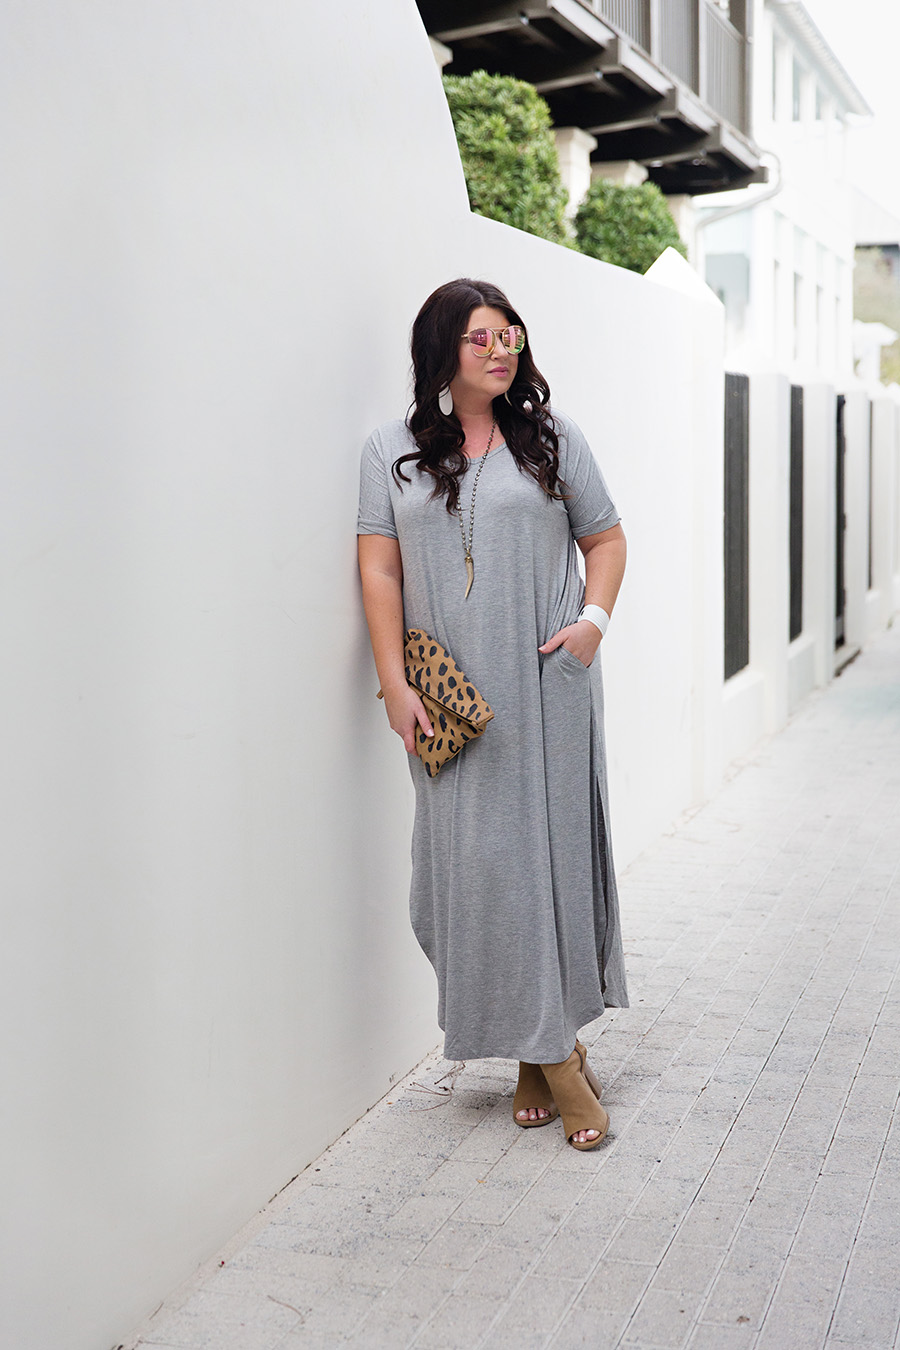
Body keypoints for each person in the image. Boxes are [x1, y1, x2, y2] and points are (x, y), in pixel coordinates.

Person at [357, 278, 628, 1150]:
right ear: (443, 350)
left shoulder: (552, 438)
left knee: (541, 869)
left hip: (548, 689)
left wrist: (592, 624)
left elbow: (606, 539)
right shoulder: (390, 450)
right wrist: (395, 684)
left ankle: (550, 1057)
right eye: (481, 338)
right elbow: (381, 572)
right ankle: (545, 1051)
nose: (502, 348)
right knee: (475, 878)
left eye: (510, 333)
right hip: (450, 706)